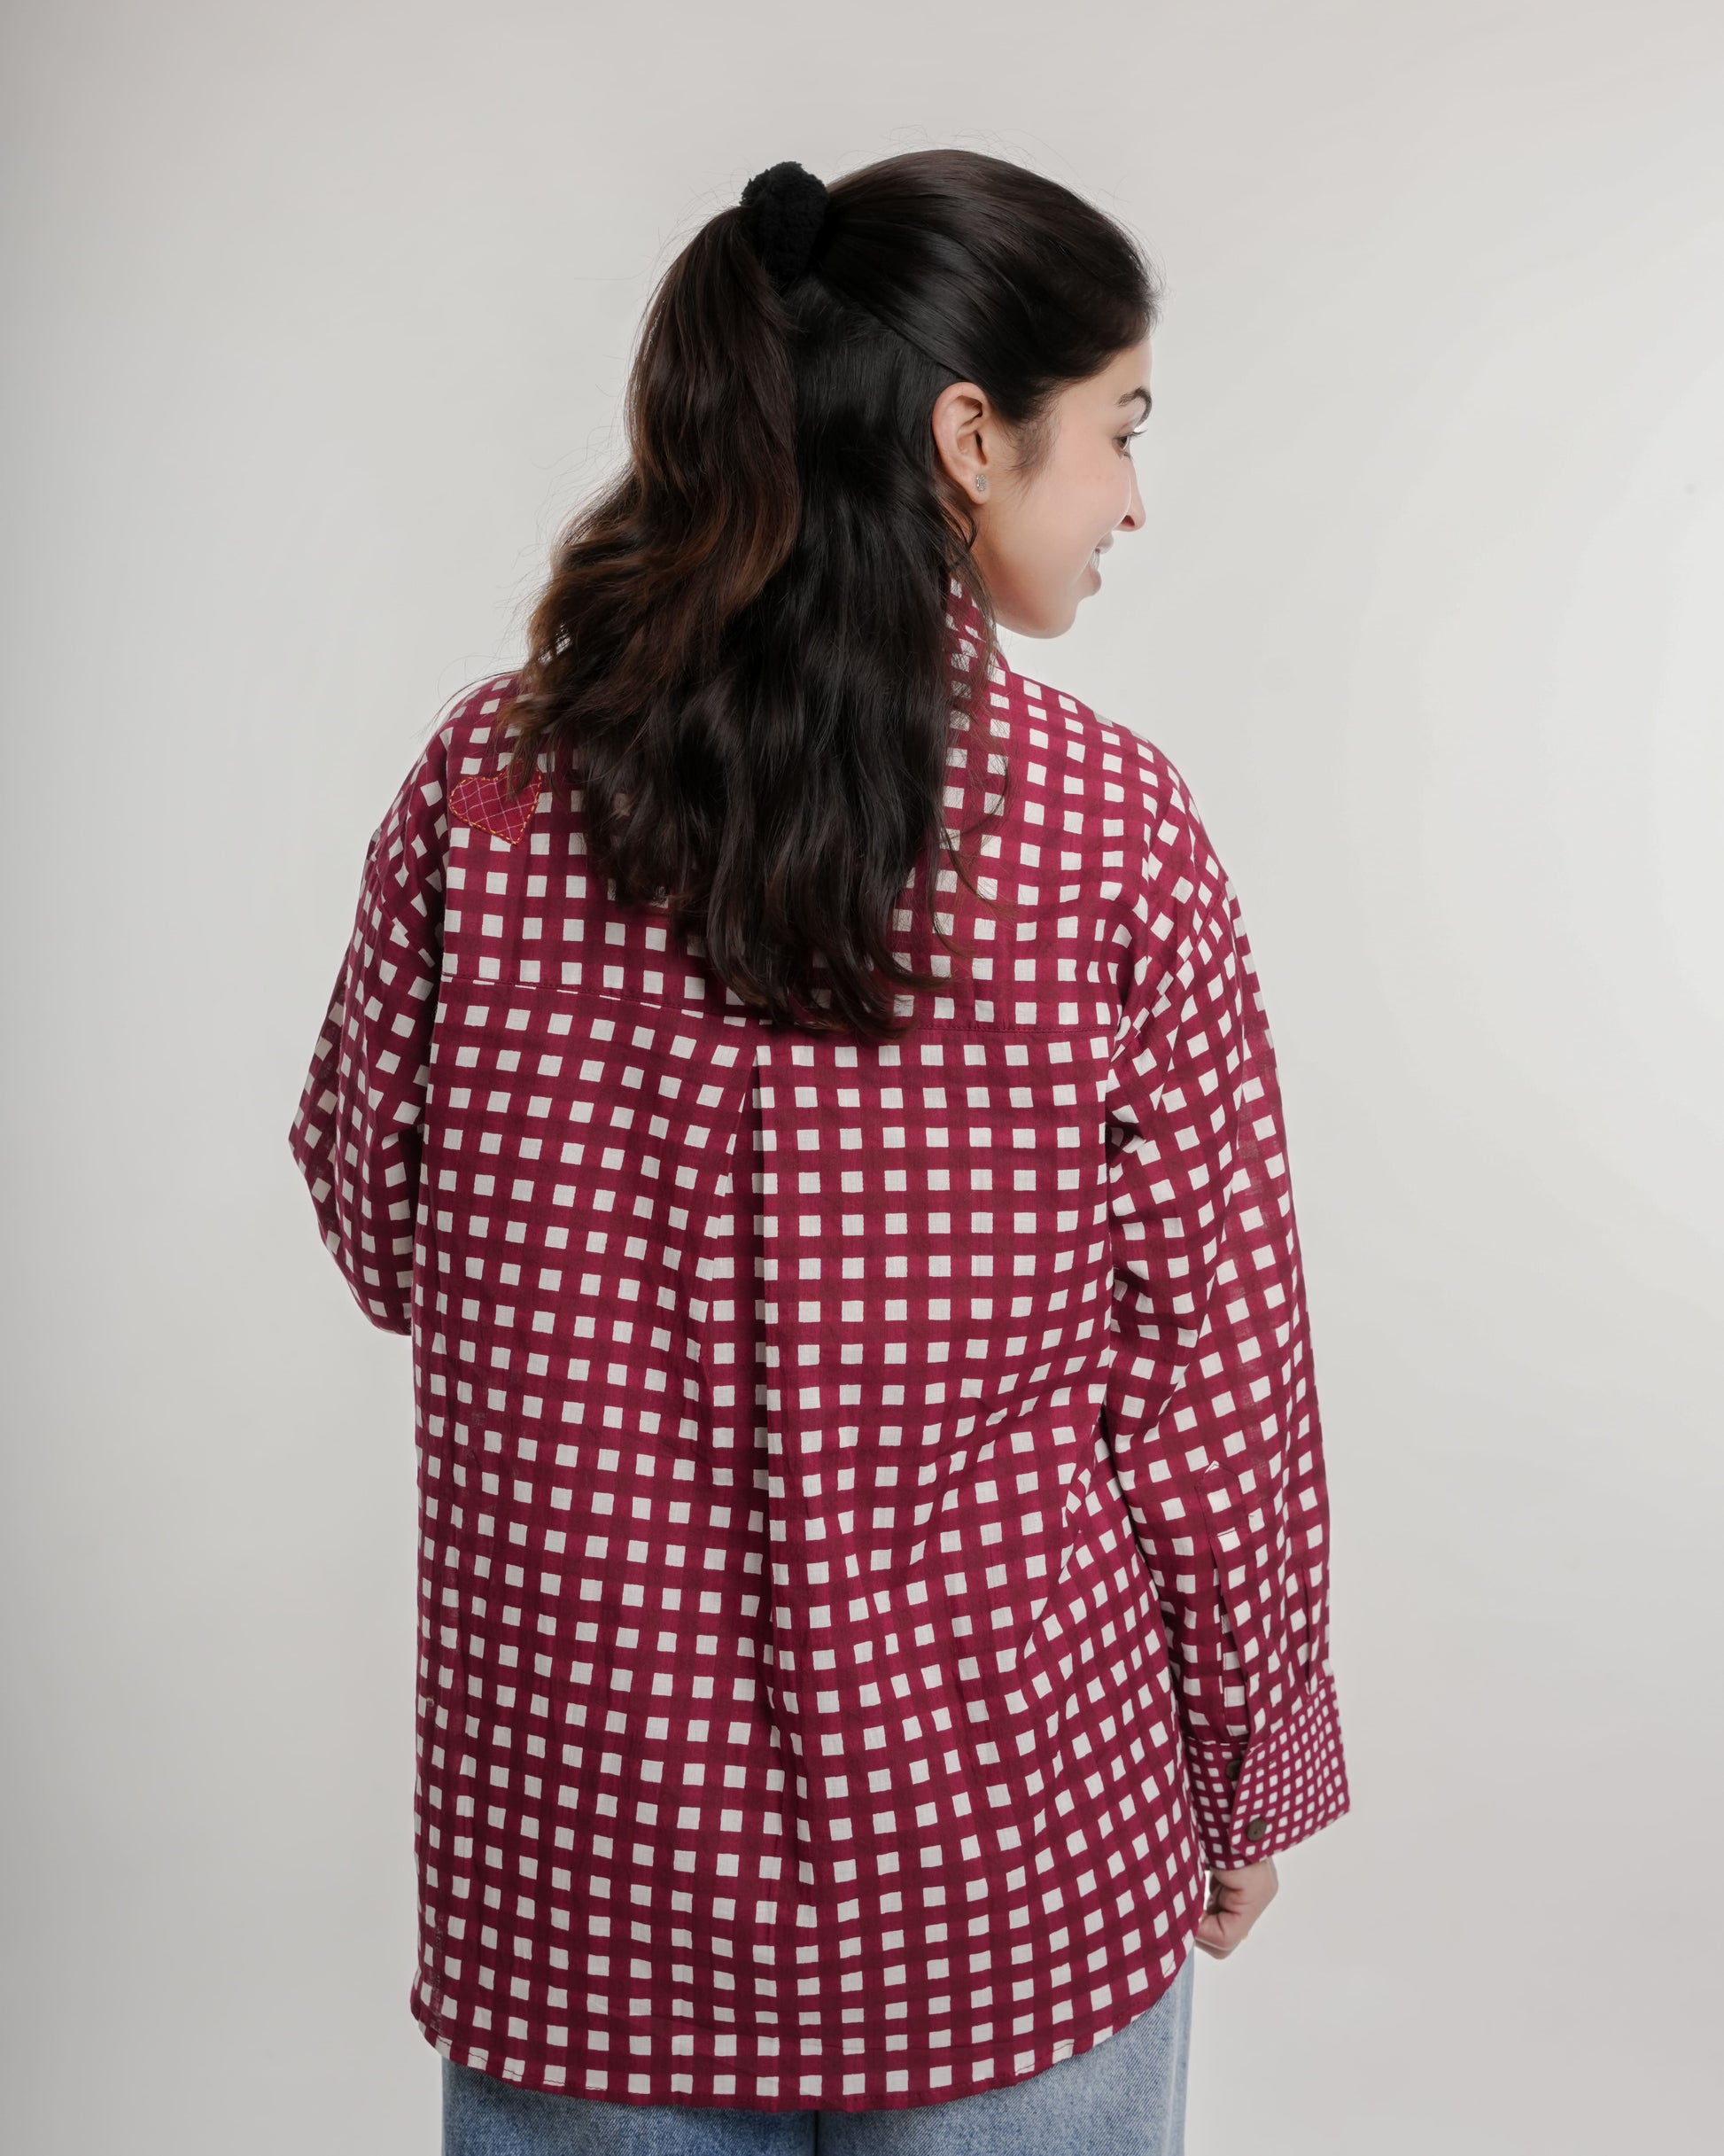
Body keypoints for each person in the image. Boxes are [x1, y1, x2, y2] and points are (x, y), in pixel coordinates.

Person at [288, 148, 1350, 2155]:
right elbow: (1211, 1389)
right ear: (969, 437)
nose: (1133, 495)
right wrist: (1244, 1771)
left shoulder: (485, 791)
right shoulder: (1110, 834)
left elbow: (379, 1225)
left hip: (586, 1878)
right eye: (1118, 428)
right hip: (1010, 1866)